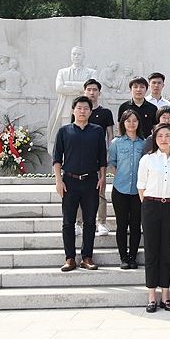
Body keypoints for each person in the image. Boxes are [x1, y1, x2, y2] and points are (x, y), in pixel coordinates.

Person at [53, 96, 107, 272]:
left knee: (89, 222)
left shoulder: (97, 131)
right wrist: (59, 180)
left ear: (90, 112)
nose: (82, 111)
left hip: (91, 181)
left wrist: (102, 178)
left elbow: (102, 157)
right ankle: (70, 258)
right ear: (73, 110)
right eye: (79, 108)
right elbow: (57, 158)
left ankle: (86, 257)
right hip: (69, 181)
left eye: (86, 108)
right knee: (68, 222)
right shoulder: (64, 131)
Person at [137, 123, 170, 312]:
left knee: (166, 251)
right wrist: (150, 205)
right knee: (151, 251)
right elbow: (141, 186)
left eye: (167, 135)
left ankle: (165, 295)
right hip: (151, 205)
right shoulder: (147, 159)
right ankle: (151, 296)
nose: (164, 139)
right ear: (154, 139)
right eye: (160, 136)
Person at [71, 79, 114, 237]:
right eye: (89, 89)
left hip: (98, 159)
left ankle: (101, 222)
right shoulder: (79, 112)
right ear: (84, 92)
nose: (92, 92)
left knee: (100, 191)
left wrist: (109, 153)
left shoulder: (105, 113)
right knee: (80, 192)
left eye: (95, 90)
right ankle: (78, 223)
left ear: (99, 93)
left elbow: (110, 135)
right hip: (81, 160)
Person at [109, 110, 146, 270]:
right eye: (128, 121)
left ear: (138, 123)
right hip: (120, 189)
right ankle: (123, 257)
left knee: (136, 225)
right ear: (123, 123)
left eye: (134, 121)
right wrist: (121, 177)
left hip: (138, 191)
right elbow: (112, 163)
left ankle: (133, 256)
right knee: (122, 224)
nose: (131, 124)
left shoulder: (144, 143)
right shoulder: (116, 143)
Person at [47, 46, 96, 155]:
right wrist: (80, 88)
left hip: (85, 109)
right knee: (66, 135)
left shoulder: (91, 72)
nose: (76, 56)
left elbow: (91, 87)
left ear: (84, 57)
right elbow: (59, 89)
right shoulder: (62, 72)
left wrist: (70, 84)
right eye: (74, 54)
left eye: (79, 54)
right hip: (66, 108)